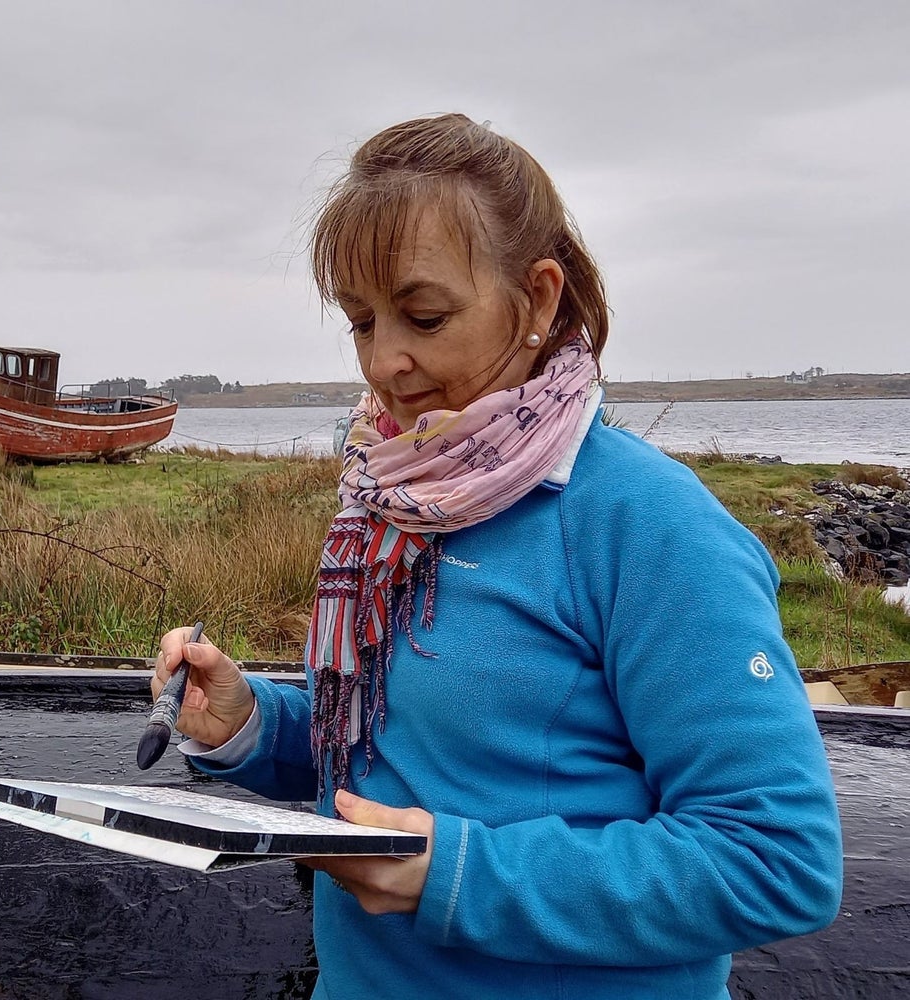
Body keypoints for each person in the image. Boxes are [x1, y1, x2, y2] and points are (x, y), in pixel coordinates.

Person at [151, 113, 842, 999]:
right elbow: (393, 767)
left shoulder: (650, 526)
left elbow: (775, 859)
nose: (386, 362)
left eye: (426, 315)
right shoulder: (391, 497)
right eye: (361, 322)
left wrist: (458, 877)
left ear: (541, 297)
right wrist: (251, 725)